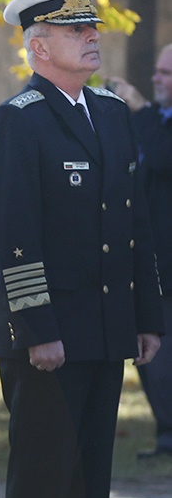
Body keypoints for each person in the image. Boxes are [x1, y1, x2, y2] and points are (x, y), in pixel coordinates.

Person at [0, 0, 160, 498]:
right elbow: (13, 235)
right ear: (37, 45)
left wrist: (144, 314)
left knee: (90, 477)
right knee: (43, 479)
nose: (92, 40)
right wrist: (38, 328)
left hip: (104, 328)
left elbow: (133, 222)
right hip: (45, 337)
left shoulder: (111, 115)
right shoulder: (16, 121)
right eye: (75, 31)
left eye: (92, 29)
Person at [112, 44, 172, 459]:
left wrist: (140, 110)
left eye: (167, 74)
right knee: (153, 355)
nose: (157, 79)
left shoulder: (151, 120)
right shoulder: (152, 119)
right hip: (153, 261)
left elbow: (162, 161)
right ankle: (165, 434)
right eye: (157, 71)